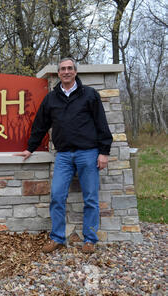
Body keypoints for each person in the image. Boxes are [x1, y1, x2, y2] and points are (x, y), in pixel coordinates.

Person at [15, 57, 112, 254]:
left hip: (88, 153)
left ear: (75, 72)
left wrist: (104, 152)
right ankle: (57, 237)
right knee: (57, 196)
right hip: (64, 156)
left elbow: (102, 124)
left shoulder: (90, 95)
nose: (66, 72)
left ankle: (90, 240)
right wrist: (30, 148)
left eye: (69, 68)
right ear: (58, 73)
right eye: (62, 69)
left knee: (91, 199)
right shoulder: (51, 98)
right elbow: (40, 124)